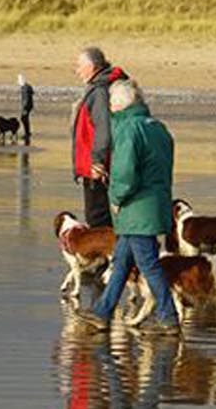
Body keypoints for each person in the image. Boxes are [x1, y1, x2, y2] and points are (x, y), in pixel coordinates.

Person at [82, 79, 179, 332]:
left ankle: (169, 316)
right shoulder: (157, 127)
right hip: (154, 203)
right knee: (122, 263)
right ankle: (103, 311)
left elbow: (125, 173)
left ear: (121, 104)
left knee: (148, 263)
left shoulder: (129, 129)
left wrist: (116, 198)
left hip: (137, 209)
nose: (110, 108)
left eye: (112, 103)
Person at [71, 47, 129, 227]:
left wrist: (98, 161)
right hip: (101, 164)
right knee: (102, 217)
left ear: (92, 66)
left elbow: (103, 128)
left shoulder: (100, 92)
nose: (77, 71)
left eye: (79, 66)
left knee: (97, 218)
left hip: (97, 167)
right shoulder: (103, 87)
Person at [17, 73, 35, 145]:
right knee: (25, 118)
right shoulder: (27, 87)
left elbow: (26, 99)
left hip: (27, 106)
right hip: (29, 105)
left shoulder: (25, 88)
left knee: (24, 118)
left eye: (19, 80)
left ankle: (27, 133)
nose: (18, 82)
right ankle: (27, 132)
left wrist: (24, 108)